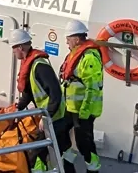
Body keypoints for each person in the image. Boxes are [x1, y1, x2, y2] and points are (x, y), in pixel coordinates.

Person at [11, 28, 72, 173]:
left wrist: (46, 116)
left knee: (36, 152)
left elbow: (55, 94)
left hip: (56, 117)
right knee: (60, 151)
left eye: (13, 48)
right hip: (54, 116)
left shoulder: (39, 66)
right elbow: (29, 92)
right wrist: (18, 108)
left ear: (20, 47)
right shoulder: (30, 64)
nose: (13, 52)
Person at [59, 20, 106, 171]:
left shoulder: (89, 58)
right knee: (60, 133)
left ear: (77, 39)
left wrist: (84, 114)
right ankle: (68, 166)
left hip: (83, 111)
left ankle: (93, 169)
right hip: (70, 107)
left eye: (68, 38)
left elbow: (93, 89)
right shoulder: (73, 54)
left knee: (84, 143)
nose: (66, 41)